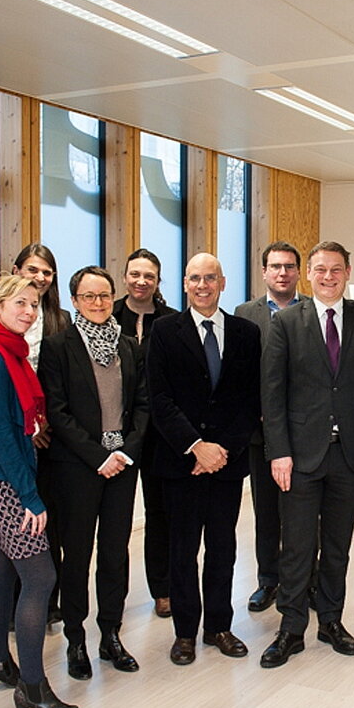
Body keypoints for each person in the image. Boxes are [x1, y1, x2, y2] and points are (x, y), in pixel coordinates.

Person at [259, 241, 354, 668]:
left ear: (348, 272)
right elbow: (272, 393)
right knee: (297, 547)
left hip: (351, 456)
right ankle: (291, 627)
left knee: (337, 546)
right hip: (299, 456)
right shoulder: (286, 322)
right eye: (320, 269)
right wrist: (279, 451)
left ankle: (331, 620)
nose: (328, 277)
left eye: (336, 269)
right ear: (308, 274)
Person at [0, 274, 77, 708]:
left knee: (7, 568)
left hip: (2, 475)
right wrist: (30, 496)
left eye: (34, 304)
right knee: (41, 578)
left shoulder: (7, 351)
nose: (29, 312)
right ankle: (32, 687)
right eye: (20, 304)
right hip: (2, 481)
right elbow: (1, 435)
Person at [149, 254, 260, 665]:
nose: (202, 285)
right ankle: (184, 633)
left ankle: (218, 627)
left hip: (226, 465)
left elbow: (251, 400)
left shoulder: (246, 333)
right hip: (181, 463)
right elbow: (159, 399)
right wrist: (196, 446)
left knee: (222, 549)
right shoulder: (164, 331)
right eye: (194, 278)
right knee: (182, 551)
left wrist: (221, 450)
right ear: (184, 283)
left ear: (222, 282)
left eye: (210, 278)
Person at [38, 266, 148, 680]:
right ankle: (75, 639)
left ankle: (111, 635)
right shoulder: (57, 347)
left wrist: (124, 452)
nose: (98, 303)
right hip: (77, 467)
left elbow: (143, 405)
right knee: (77, 555)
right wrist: (98, 456)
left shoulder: (129, 345)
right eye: (89, 296)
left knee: (115, 554)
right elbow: (57, 411)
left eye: (104, 295)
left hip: (122, 466)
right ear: (74, 301)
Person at [234, 241, 308, 613]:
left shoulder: (313, 310)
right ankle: (268, 580)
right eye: (275, 266)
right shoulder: (245, 314)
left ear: (298, 272)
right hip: (260, 432)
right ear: (264, 272)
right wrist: (258, 411)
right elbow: (240, 371)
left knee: (304, 513)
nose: (282, 273)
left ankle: (305, 581)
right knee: (266, 511)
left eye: (289, 266)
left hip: (305, 432)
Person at [111, 249, 178, 620]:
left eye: (149, 276)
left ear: (157, 280)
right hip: (115, 434)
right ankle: (113, 599)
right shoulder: (107, 315)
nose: (141, 281)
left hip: (159, 433)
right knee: (116, 521)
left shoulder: (171, 321)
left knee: (160, 515)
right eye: (134, 274)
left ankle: (163, 590)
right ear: (124, 277)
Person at [11, 243, 70, 627]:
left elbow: (61, 381)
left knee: (52, 525)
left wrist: (45, 425)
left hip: (51, 437)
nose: (40, 277)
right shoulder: (3, 319)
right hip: (16, 436)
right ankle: (16, 607)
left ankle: (48, 604)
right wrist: (27, 427)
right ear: (16, 270)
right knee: (16, 528)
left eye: (47, 272)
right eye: (33, 269)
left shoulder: (61, 320)